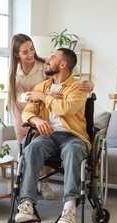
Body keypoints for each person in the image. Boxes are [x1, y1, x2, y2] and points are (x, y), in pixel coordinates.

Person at [8, 34, 93, 201]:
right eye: (25, 52)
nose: (31, 53)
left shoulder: (69, 83)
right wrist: (37, 114)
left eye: (32, 49)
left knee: (72, 149)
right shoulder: (15, 72)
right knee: (29, 148)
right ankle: (27, 199)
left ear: (62, 64)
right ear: (17, 54)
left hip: (63, 124)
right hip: (24, 108)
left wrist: (90, 85)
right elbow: (23, 101)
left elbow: (65, 105)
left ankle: (50, 188)